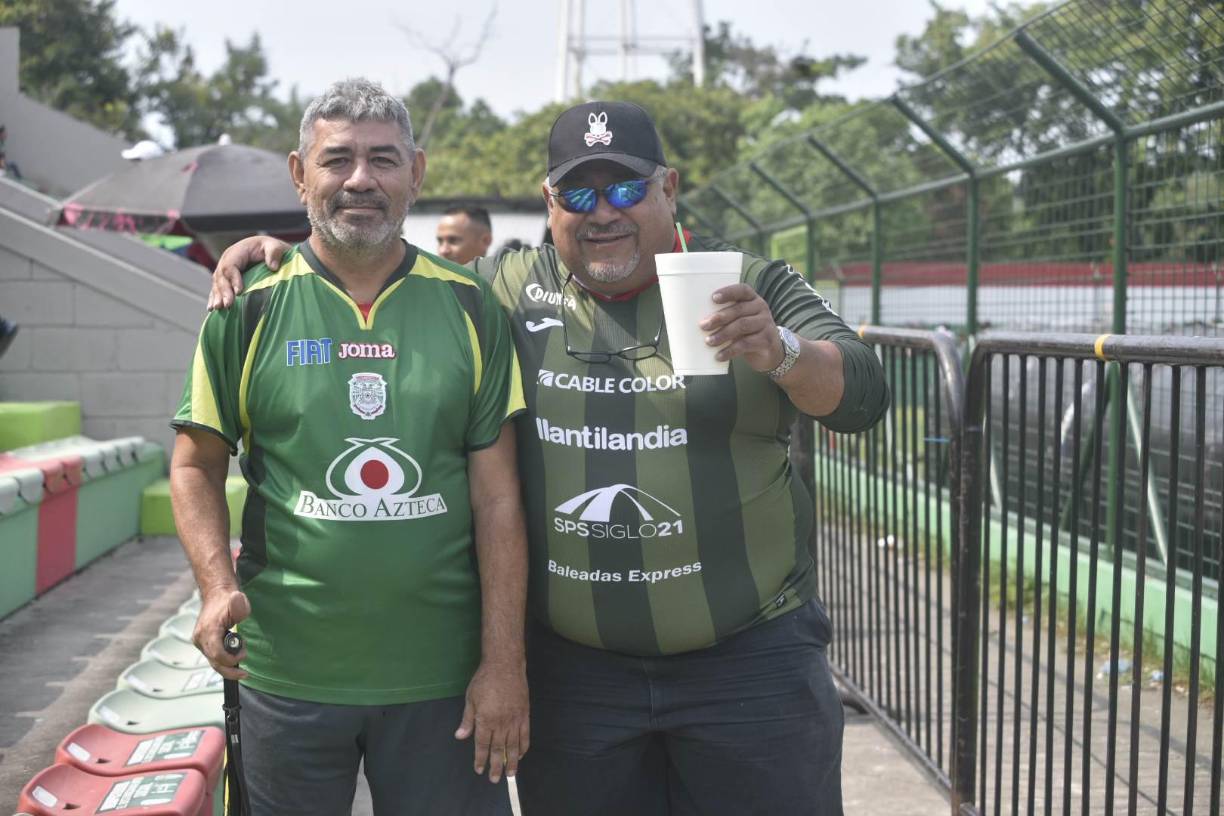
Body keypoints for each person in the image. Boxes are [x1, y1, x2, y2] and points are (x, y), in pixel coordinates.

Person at [209, 99, 890, 816]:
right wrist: (277, 252)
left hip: (747, 665)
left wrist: (779, 350)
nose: (604, 213)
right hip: (577, 681)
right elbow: (383, 268)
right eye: (578, 194)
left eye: (626, 189)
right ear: (549, 203)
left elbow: (863, 393)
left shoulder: (747, 284)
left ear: (669, 189)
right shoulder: (503, 289)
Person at [171, 78, 529, 816]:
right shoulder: (248, 307)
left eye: (383, 160)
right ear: (300, 174)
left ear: (416, 173)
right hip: (284, 674)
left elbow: (497, 500)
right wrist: (213, 590)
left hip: (443, 683)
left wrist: (504, 663)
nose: (360, 180)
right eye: (337, 160)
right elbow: (195, 466)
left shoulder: (469, 305)